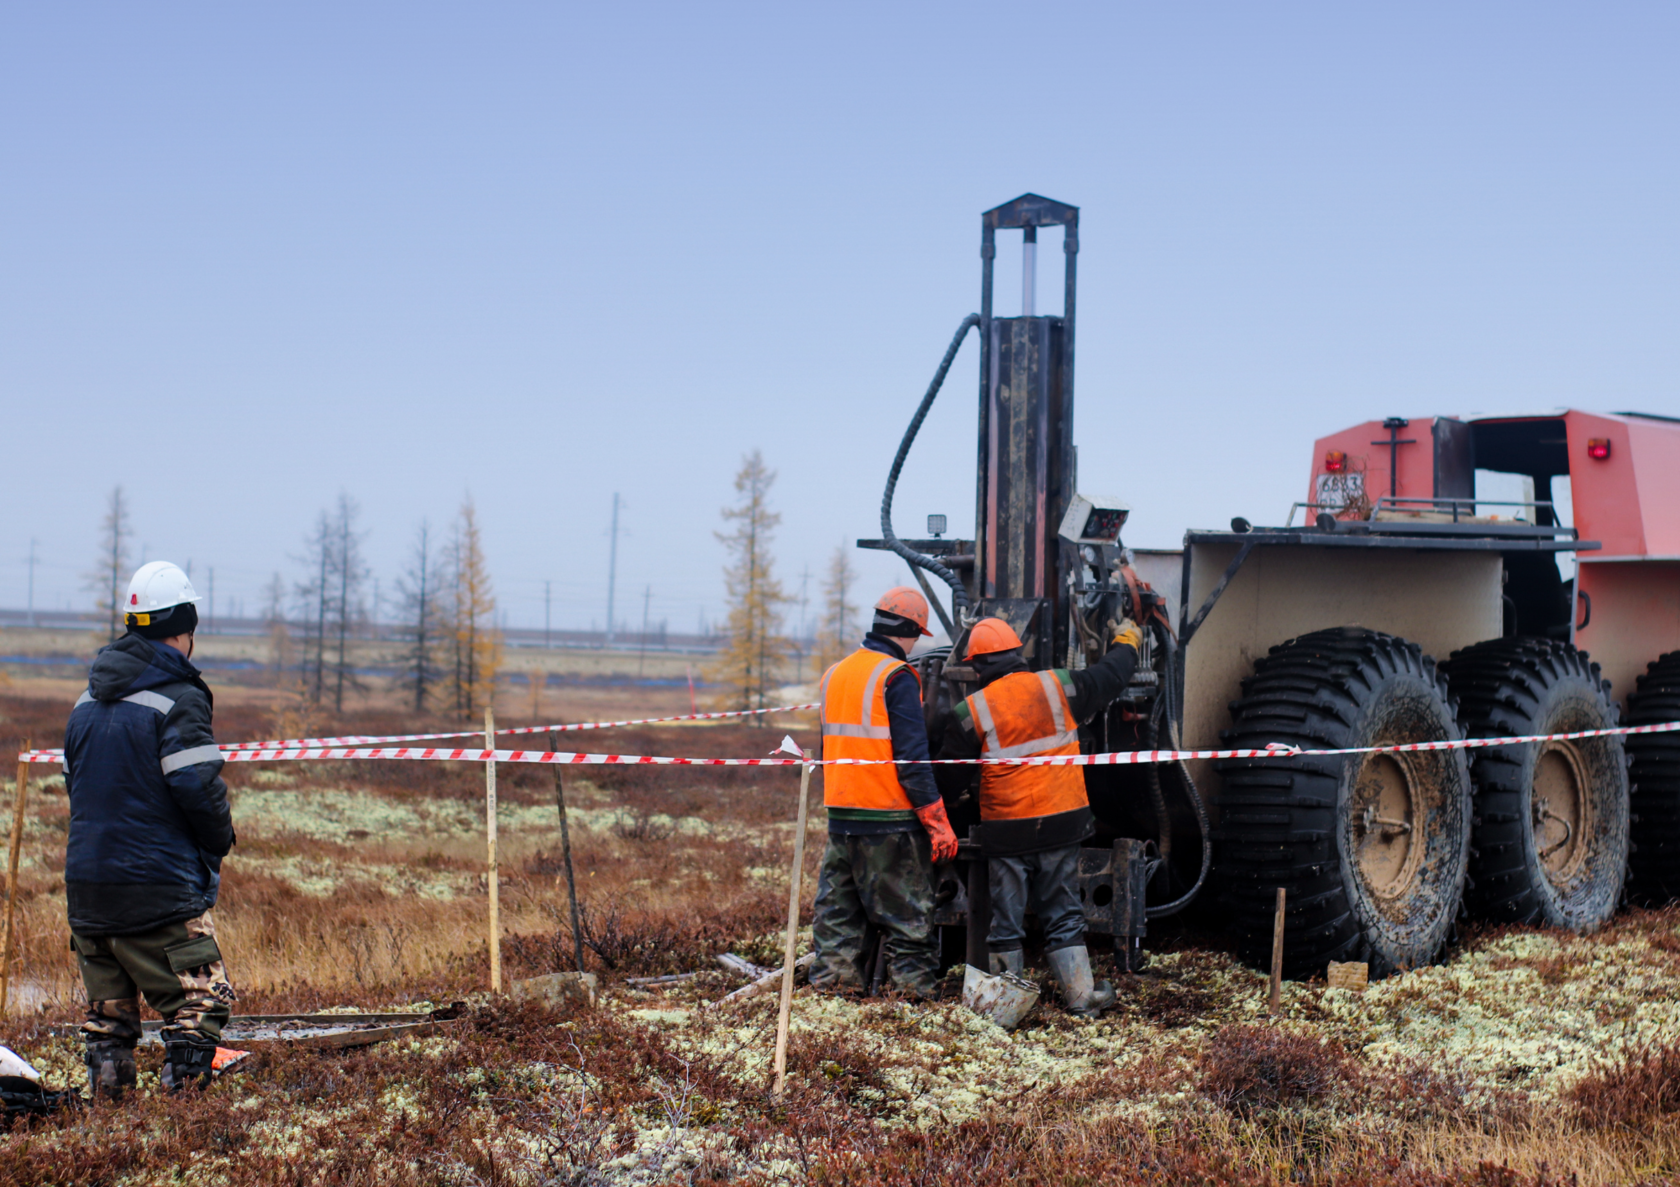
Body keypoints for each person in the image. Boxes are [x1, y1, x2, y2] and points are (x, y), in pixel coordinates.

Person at [62, 561, 237, 1099]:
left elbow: (76, 786)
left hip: (88, 893)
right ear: (184, 627)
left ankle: (108, 1127)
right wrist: (217, 842)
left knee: (109, 1020)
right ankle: (183, 1124)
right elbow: (197, 788)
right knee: (202, 1004)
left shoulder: (85, 702)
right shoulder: (179, 698)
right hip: (156, 890)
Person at [938, 616, 1142, 1017]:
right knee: (1064, 913)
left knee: (1006, 920)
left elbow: (947, 777)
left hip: (1006, 832)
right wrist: (1127, 641)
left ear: (976, 667)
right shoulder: (1058, 685)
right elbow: (1112, 675)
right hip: (1062, 822)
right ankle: (1082, 999)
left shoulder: (970, 711)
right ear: (1019, 654)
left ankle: (1002, 1011)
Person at [809, 586, 959, 998]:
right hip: (889, 821)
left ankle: (832, 1000)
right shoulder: (896, 677)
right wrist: (938, 824)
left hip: (841, 817)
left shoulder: (836, 673)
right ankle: (911, 1002)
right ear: (910, 630)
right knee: (908, 919)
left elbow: (830, 749)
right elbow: (912, 758)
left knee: (839, 917)